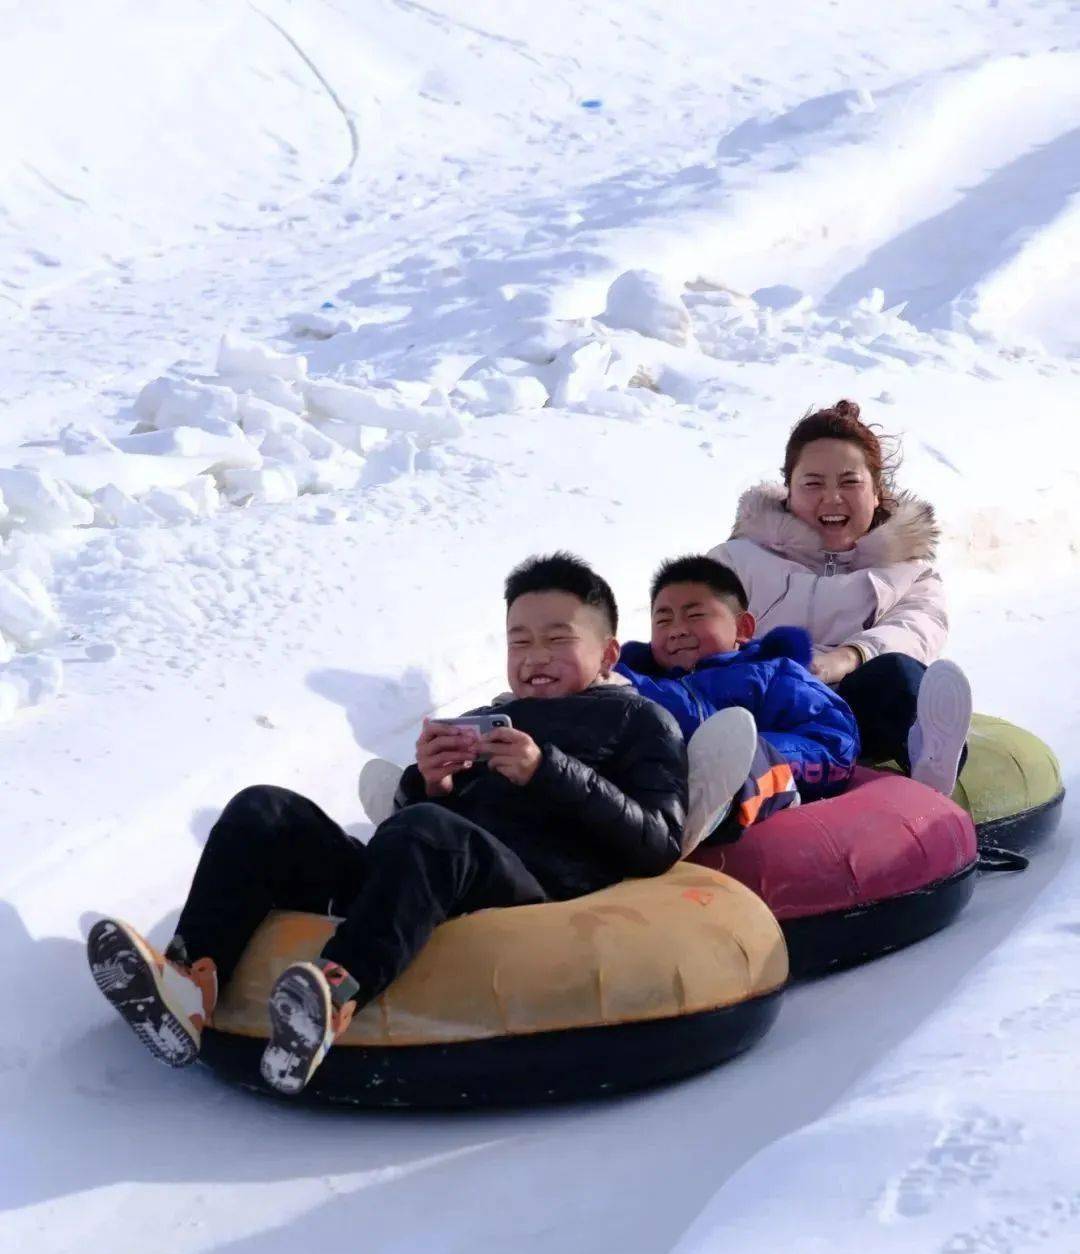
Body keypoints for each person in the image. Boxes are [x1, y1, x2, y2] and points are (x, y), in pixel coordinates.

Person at [87, 553, 688, 1094]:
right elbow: (409, 835)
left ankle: (332, 996)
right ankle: (190, 985)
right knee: (262, 809)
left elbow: (658, 843)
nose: (534, 658)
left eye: (557, 639)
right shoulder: (488, 718)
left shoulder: (641, 721)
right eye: (519, 640)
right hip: (427, 875)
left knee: (427, 830)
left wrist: (546, 770)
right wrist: (429, 782)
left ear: (608, 652)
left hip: (535, 889)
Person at [710, 400, 972, 796]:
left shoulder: (910, 573)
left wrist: (848, 657)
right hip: (762, 699)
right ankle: (707, 779)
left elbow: (915, 631)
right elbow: (695, 616)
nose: (832, 499)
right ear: (789, 491)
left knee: (900, 674)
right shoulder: (736, 559)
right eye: (813, 484)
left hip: (854, 705)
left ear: (877, 491)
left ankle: (930, 762)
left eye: (849, 483)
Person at [616, 554, 859, 841]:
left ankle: (714, 809)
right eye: (663, 620)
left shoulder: (773, 673)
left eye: (694, 616)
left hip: (769, 768)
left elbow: (834, 742)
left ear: (742, 628)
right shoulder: (644, 682)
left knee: (744, 750)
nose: (677, 630)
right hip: (666, 774)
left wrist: (757, 750)